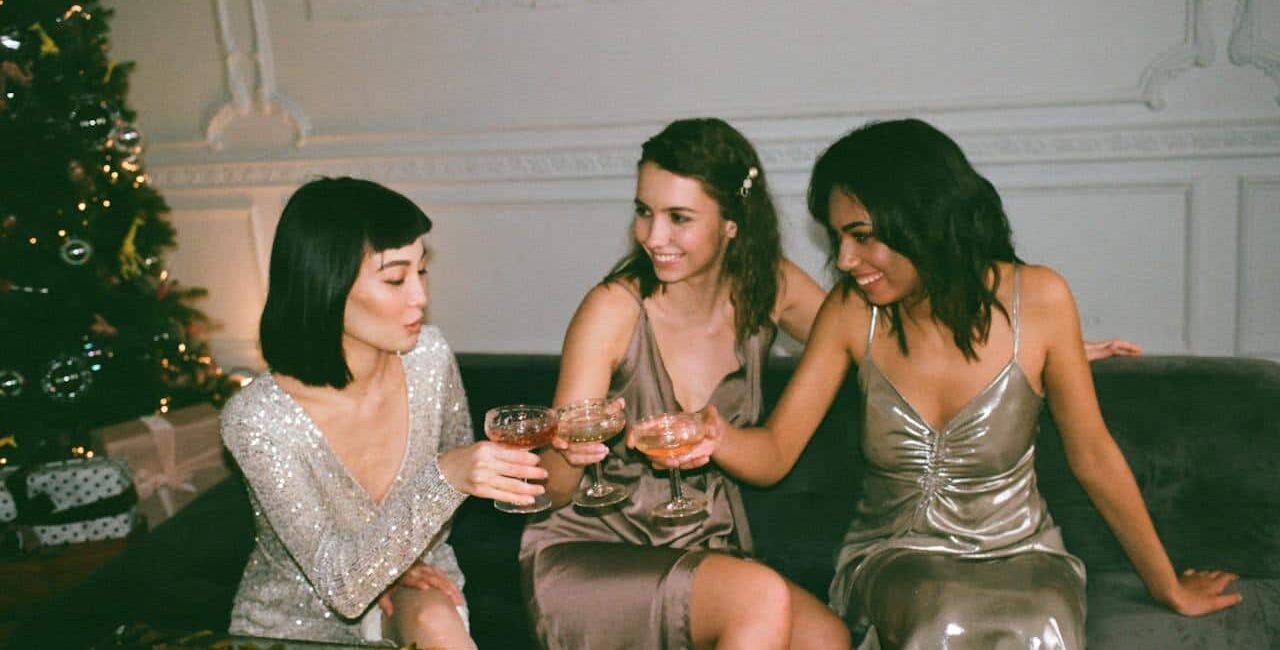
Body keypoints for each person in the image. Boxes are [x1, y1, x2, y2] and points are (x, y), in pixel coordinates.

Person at [697, 119, 1241, 648]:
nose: (844, 259)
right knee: (943, 616)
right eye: (838, 238)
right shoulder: (851, 312)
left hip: (1023, 554)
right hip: (896, 557)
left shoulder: (1042, 300)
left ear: (924, 219)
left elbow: (1095, 457)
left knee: (1038, 625)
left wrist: (1167, 586)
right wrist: (714, 436)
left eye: (860, 236)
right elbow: (774, 453)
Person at [520, 118, 851, 649]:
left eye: (679, 218)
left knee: (825, 637)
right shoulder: (612, 309)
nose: (654, 237)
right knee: (759, 597)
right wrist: (569, 452)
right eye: (644, 212)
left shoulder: (770, 287)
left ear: (732, 224)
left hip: (702, 545)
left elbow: (860, 335)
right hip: (594, 551)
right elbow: (552, 490)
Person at [220, 177, 547, 647]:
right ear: (327, 284)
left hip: (418, 578)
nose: (420, 297)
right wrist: (445, 477)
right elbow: (342, 586)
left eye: (422, 271)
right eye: (395, 278)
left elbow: (445, 510)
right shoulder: (256, 419)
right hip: (297, 624)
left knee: (435, 622)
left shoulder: (429, 358)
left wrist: (394, 560)